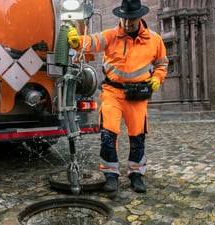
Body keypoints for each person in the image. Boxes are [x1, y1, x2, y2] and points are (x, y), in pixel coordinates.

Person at [67, 0, 168, 193]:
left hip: (137, 95)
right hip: (112, 92)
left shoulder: (154, 39)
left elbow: (162, 63)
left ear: (140, 17)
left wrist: (157, 78)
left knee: (137, 136)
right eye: (124, 19)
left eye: (131, 19)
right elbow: (92, 41)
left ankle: (137, 174)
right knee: (108, 134)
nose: (127, 23)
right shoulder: (112, 35)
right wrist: (77, 41)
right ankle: (110, 174)